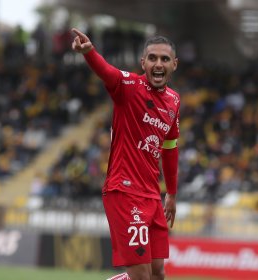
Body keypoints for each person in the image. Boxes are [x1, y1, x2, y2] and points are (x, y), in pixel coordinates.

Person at [71, 28, 180, 280]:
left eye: (164, 59)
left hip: (152, 195)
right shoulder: (129, 86)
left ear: (174, 64)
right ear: (143, 62)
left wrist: (171, 194)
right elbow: (107, 72)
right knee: (141, 276)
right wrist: (90, 52)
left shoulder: (174, 101)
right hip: (125, 191)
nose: (158, 64)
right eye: (152, 58)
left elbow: (170, 147)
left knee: (157, 274)